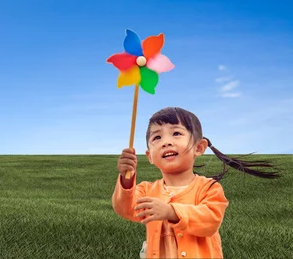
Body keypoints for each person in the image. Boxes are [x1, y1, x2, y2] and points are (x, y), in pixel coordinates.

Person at [111, 107, 279, 259]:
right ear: (149, 157)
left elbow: (210, 221)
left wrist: (171, 212)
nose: (166, 142)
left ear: (199, 148)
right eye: (157, 137)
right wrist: (126, 180)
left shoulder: (209, 188)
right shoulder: (146, 190)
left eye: (176, 133)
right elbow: (127, 209)